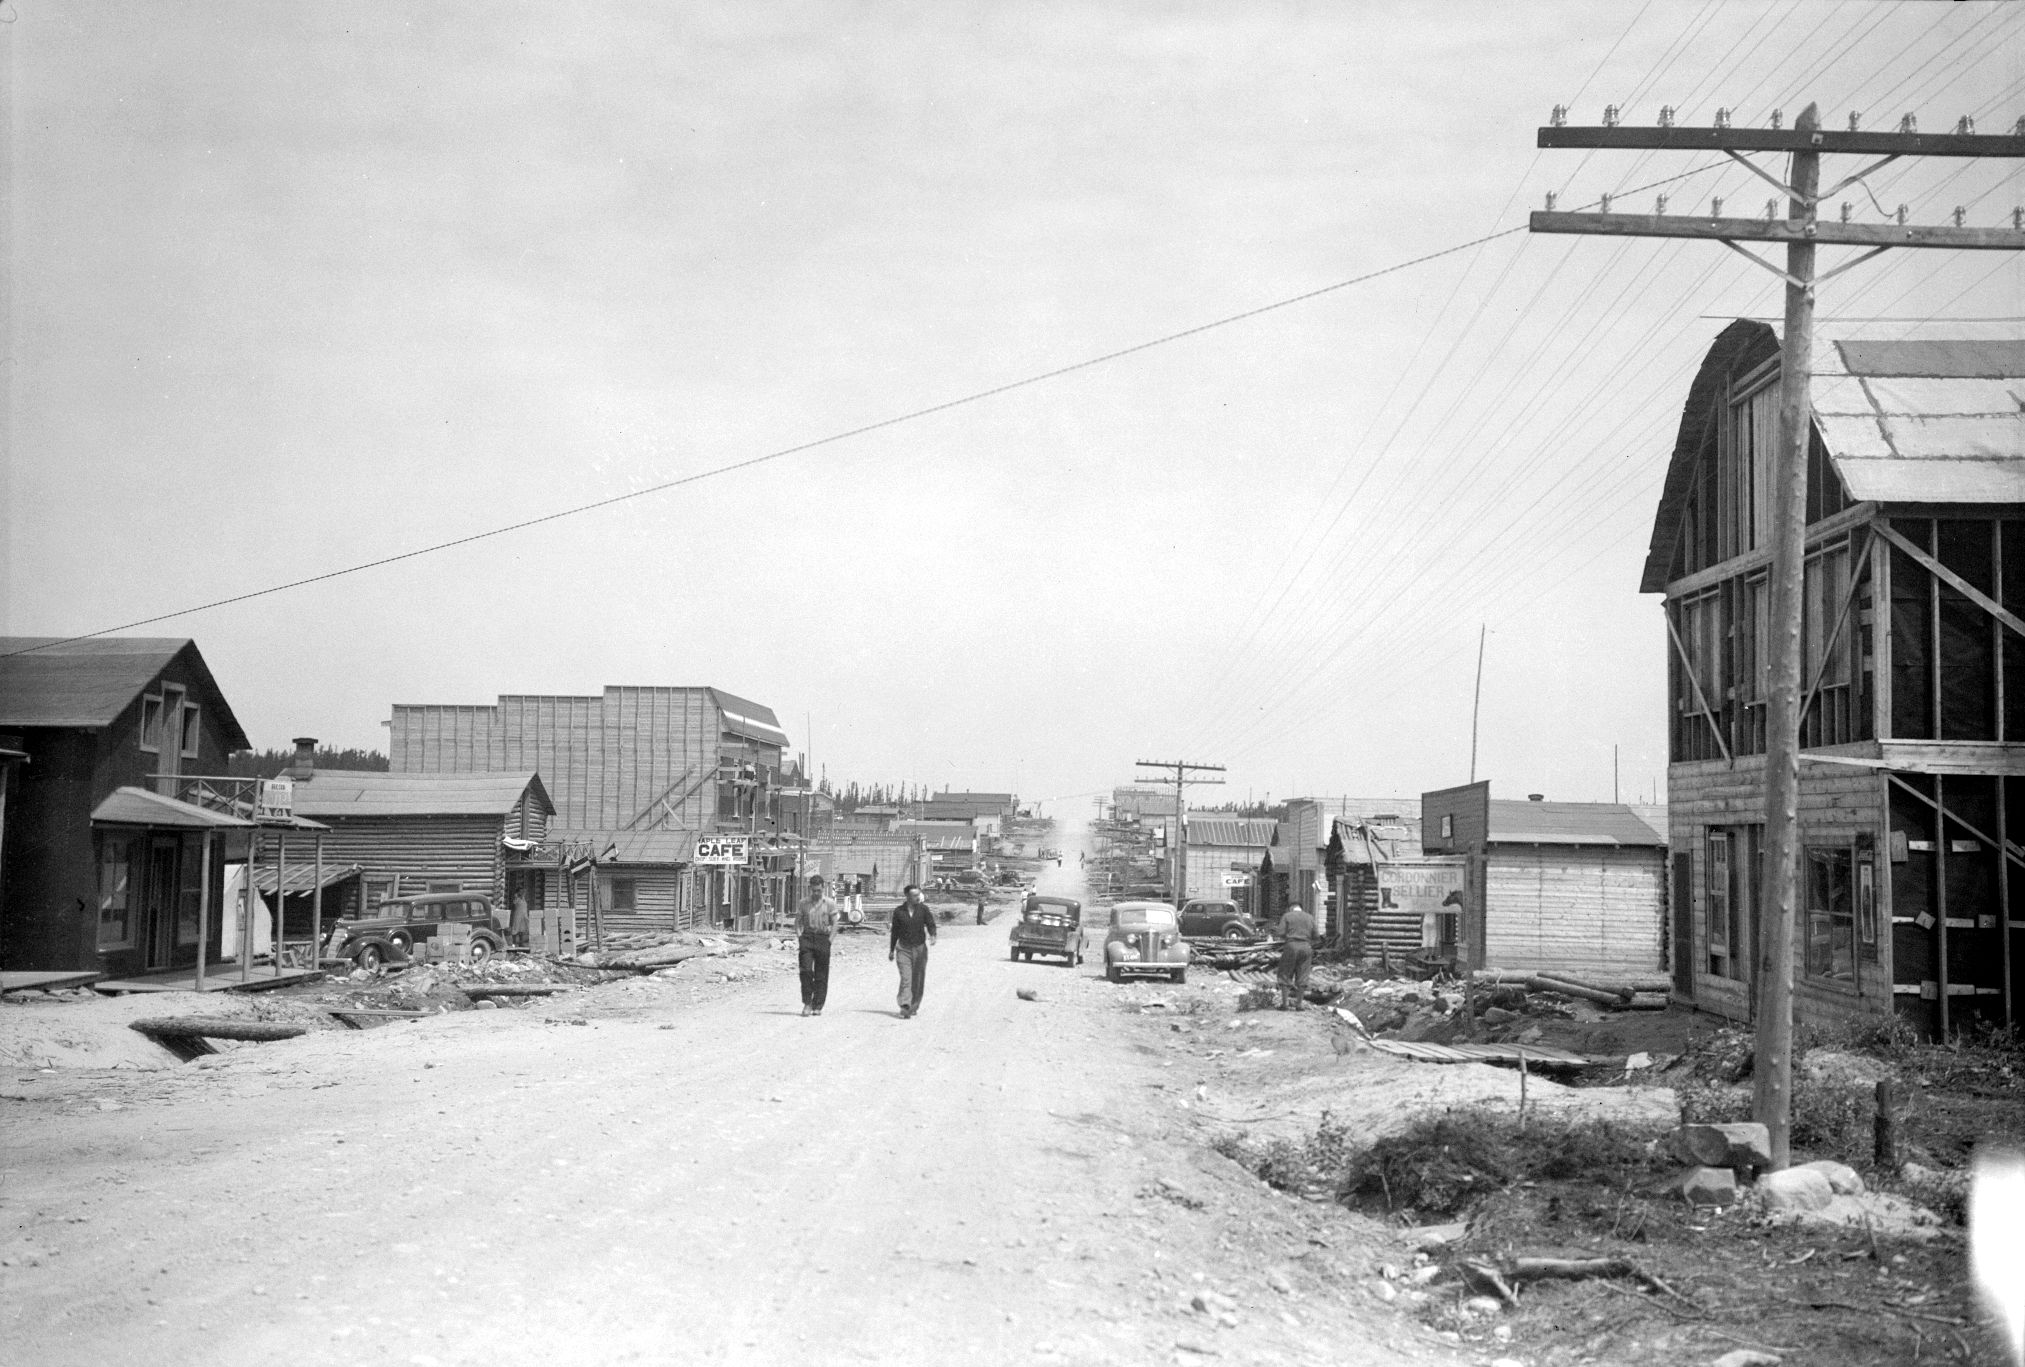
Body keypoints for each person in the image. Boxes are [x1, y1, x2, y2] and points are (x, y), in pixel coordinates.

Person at [888, 883, 938, 1018]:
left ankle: (914, 1005)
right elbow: (895, 932)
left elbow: (930, 924)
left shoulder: (923, 909)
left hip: (919, 949)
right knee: (906, 978)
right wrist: (891, 950)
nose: (918, 897)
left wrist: (933, 935)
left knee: (918, 978)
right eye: (914, 895)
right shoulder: (899, 912)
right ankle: (905, 1005)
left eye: (918, 894)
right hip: (903, 949)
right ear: (907, 896)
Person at [795, 875, 838, 1016]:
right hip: (807, 938)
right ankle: (807, 1003)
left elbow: (835, 923)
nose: (816, 893)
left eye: (818, 890)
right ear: (810, 889)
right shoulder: (803, 903)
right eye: (813, 890)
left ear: (823, 888)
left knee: (821, 974)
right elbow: (798, 921)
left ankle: (818, 1004)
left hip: (822, 939)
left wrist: (829, 941)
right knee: (806, 971)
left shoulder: (830, 903)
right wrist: (800, 937)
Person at [1277, 902, 1316, 1009]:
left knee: (1285, 973)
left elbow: (1280, 932)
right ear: (1300, 908)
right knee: (1303, 974)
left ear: (1291, 908)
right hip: (1306, 947)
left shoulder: (1287, 916)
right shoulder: (1310, 917)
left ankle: (1284, 1004)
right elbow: (1316, 935)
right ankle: (1299, 1004)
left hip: (1291, 946)